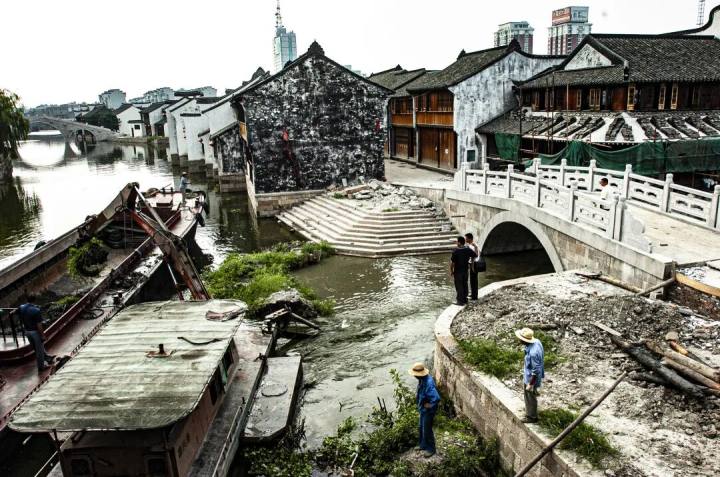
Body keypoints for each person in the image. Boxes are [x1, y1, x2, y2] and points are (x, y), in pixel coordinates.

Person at [409, 362, 441, 458]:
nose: (414, 376)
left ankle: (431, 449)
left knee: (427, 429)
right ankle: (423, 445)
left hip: (428, 411)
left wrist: (430, 405)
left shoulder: (428, 383)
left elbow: (436, 398)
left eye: (415, 374)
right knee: (421, 426)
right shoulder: (422, 380)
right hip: (423, 409)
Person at [17, 295, 55, 372]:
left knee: (36, 348)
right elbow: (39, 325)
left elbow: (17, 312)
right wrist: (42, 335)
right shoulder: (36, 310)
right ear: (35, 300)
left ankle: (47, 358)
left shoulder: (21, 307)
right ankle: (41, 367)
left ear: (27, 300)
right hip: (34, 332)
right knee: (39, 350)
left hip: (27, 331)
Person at [515, 327, 545, 423]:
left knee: (529, 395)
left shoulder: (533, 353)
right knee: (530, 395)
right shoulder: (536, 342)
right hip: (530, 374)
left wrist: (531, 384)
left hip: (531, 378)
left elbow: (536, 370)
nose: (519, 340)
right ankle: (531, 411)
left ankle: (531, 417)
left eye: (520, 339)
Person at [450, 236, 476, 306]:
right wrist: (472, 264)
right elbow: (474, 255)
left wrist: (451, 271)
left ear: (459, 242)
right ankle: (465, 299)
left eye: (457, 241)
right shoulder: (467, 249)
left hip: (458, 271)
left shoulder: (455, 251)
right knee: (465, 285)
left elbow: (452, 263)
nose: (456, 243)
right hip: (465, 271)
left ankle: (460, 301)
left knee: (459, 286)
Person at [464, 233, 482, 301]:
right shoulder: (470, 245)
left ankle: (474, 296)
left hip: (474, 265)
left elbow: (476, 255)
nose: (465, 239)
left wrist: (472, 266)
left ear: (469, 238)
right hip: (472, 264)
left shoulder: (474, 245)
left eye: (466, 238)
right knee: (472, 280)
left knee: (474, 280)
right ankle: (473, 294)